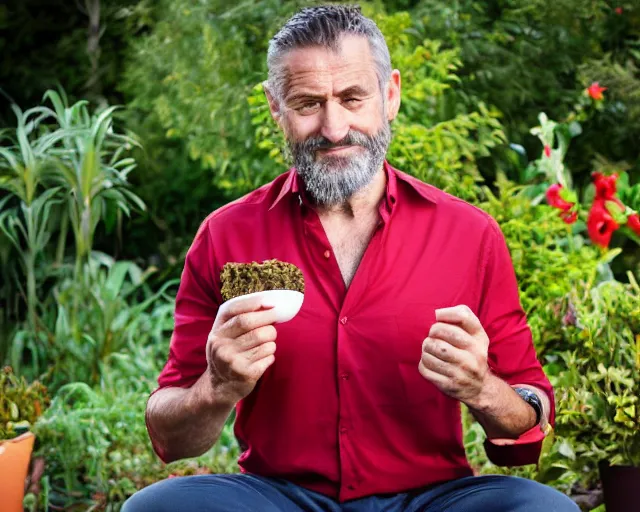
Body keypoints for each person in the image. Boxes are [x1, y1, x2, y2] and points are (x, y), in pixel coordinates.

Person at [123, 5, 579, 512]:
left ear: (390, 95)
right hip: (279, 500)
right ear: (276, 107)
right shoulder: (226, 235)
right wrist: (216, 386)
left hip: (431, 501)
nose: (334, 127)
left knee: (544, 510)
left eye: (352, 98)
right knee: (153, 509)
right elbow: (170, 436)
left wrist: (484, 389)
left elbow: (528, 419)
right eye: (307, 103)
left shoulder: (469, 234)